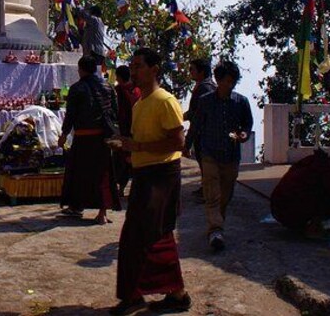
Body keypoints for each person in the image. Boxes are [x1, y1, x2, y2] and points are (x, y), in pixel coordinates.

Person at [108, 48, 191, 315]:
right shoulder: (139, 104)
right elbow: (142, 143)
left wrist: (138, 146)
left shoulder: (165, 100)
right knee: (138, 236)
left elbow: (178, 142)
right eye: (131, 67)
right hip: (144, 174)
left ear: (154, 69)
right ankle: (168, 293)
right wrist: (129, 150)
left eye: (139, 66)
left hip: (162, 175)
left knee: (152, 236)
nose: (133, 71)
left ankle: (156, 294)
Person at [192, 61, 253, 252]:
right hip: (209, 153)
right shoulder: (206, 101)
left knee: (225, 195)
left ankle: (217, 225)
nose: (230, 84)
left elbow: (247, 124)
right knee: (212, 194)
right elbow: (196, 125)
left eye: (233, 81)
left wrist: (243, 134)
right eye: (227, 81)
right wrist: (186, 145)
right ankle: (215, 229)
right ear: (218, 80)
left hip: (231, 155)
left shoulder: (241, 102)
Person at [58, 56, 121, 224]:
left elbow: (70, 115)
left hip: (83, 137)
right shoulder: (108, 87)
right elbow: (115, 112)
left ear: (81, 69)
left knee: (78, 173)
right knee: (103, 174)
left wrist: (63, 135)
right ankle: (102, 212)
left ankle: (76, 206)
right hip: (102, 137)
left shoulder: (77, 88)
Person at [270, 150, 330, 233]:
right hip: (288, 210)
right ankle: (312, 228)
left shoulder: (312, 161)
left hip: (277, 206)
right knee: (326, 197)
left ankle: (303, 224)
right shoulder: (325, 169)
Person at [183, 58, 215, 198]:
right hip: (205, 132)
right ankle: (205, 188)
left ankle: (208, 192)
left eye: (192, 69)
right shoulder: (205, 86)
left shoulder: (205, 88)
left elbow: (197, 115)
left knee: (206, 163)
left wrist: (188, 142)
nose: (190, 72)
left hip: (204, 132)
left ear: (201, 72)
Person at [113, 65, 141, 196]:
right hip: (136, 128)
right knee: (133, 160)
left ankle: (121, 188)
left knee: (123, 160)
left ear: (118, 77)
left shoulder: (119, 90)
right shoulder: (137, 89)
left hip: (124, 129)